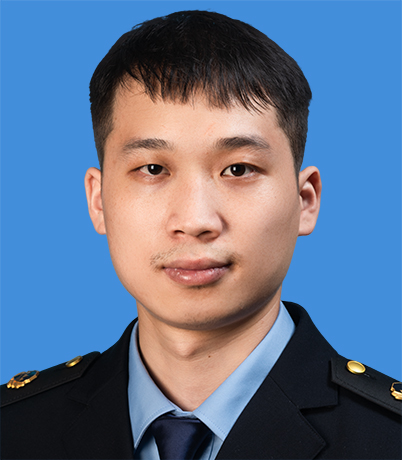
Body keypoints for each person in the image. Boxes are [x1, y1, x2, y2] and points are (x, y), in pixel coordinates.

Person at [1, 10, 400, 460]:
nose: (194, 220)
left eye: (239, 169)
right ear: (98, 201)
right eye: (153, 169)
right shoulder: (14, 430)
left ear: (305, 200)